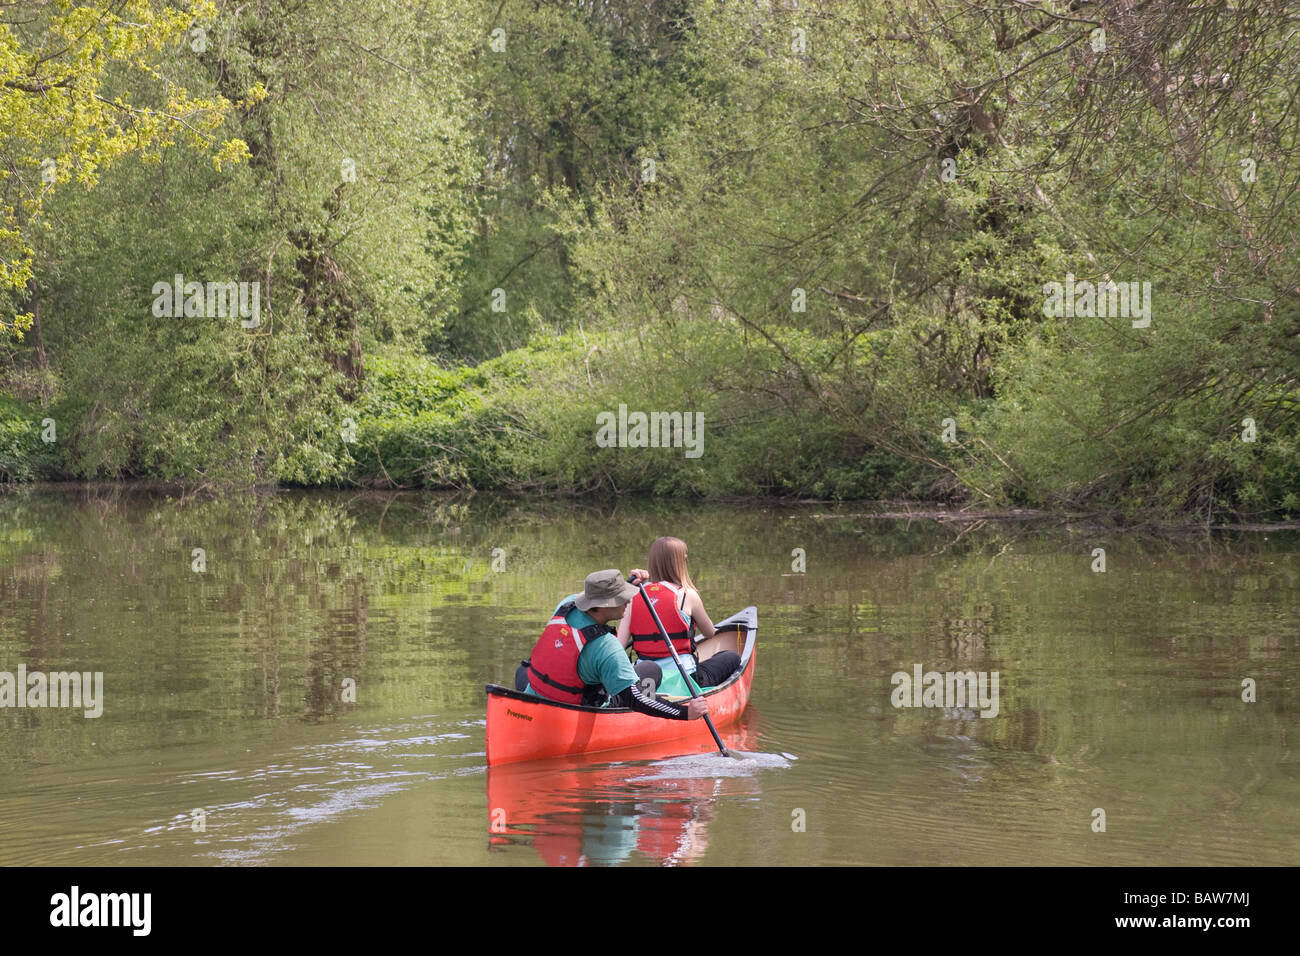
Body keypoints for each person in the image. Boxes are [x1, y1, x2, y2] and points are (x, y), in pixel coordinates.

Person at [517, 569, 709, 721]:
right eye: (622, 597)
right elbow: (636, 699)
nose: (629, 600)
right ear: (606, 605)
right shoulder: (606, 647)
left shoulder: (566, 605)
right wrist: (685, 713)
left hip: (540, 696)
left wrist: (626, 583)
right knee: (651, 670)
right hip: (580, 710)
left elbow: (598, 597)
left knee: (522, 671)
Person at [617, 537, 741, 690]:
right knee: (731, 657)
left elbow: (619, 646)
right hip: (684, 677)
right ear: (680, 563)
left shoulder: (633, 597)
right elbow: (709, 633)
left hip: (646, 679)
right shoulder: (687, 595)